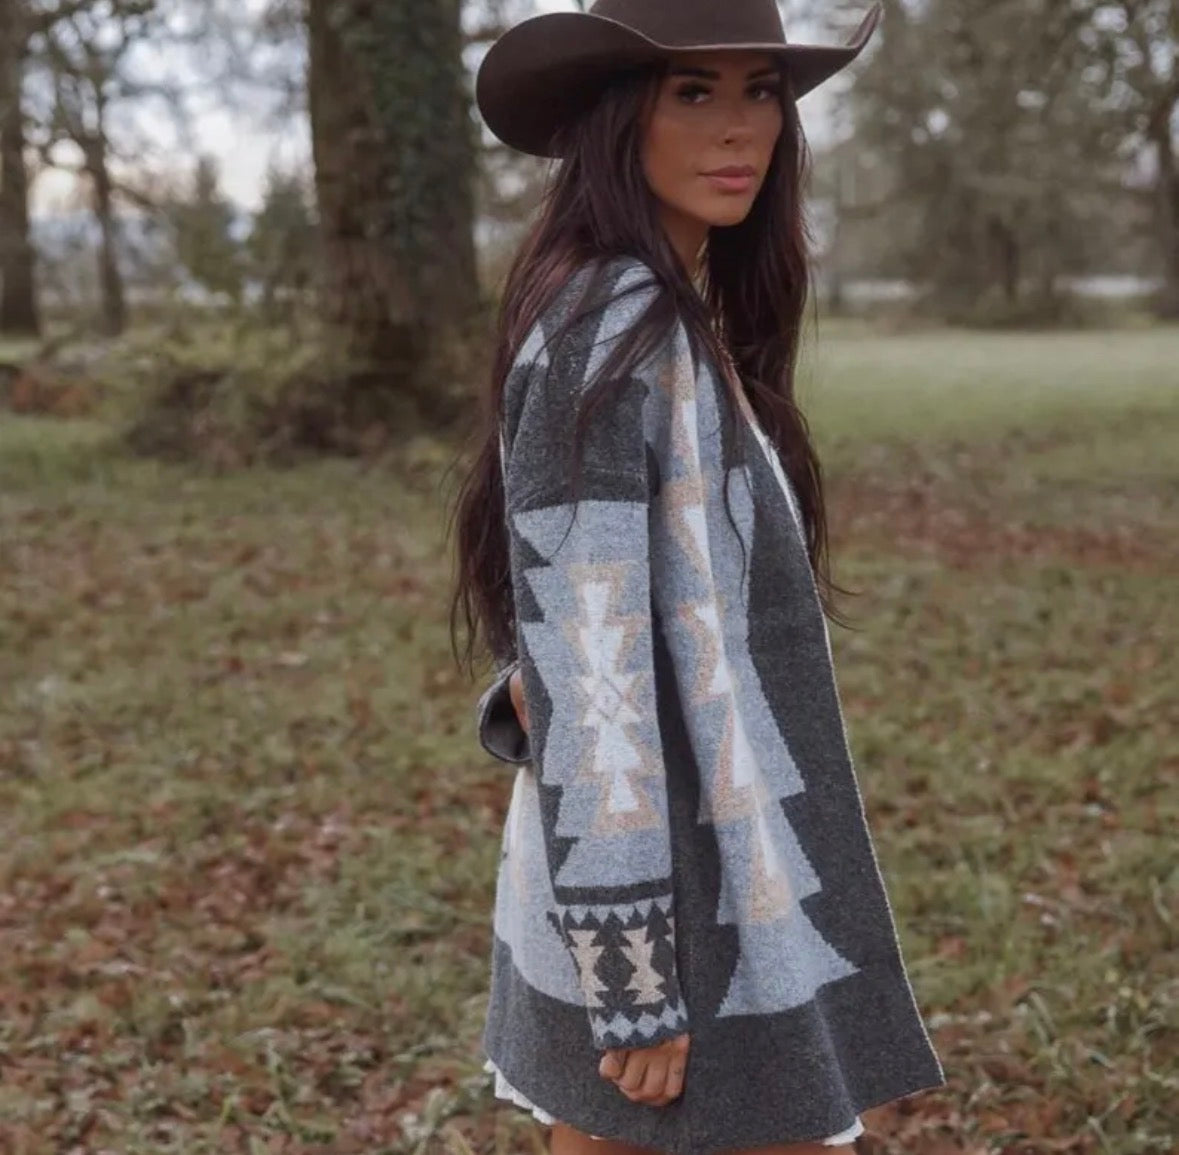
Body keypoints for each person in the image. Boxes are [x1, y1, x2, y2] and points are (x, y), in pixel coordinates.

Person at [450, 2, 947, 1153]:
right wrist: (632, 982)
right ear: (617, 116)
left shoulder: (659, 316)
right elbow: (588, 651)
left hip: (702, 866)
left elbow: (577, 619)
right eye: (693, 91)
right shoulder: (606, 326)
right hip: (665, 910)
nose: (741, 130)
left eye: (761, 90)